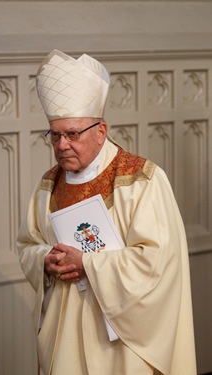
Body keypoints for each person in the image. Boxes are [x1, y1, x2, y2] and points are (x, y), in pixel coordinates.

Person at [17, 49, 196, 375]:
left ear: (101, 131)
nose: (62, 145)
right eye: (54, 135)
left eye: (72, 134)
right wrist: (45, 259)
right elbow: (27, 244)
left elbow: (157, 263)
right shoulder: (48, 185)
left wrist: (86, 264)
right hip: (65, 332)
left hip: (121, 340)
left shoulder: (141, 180)